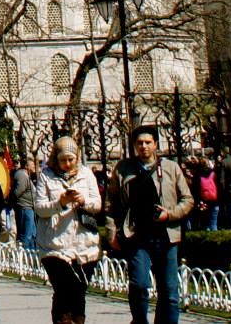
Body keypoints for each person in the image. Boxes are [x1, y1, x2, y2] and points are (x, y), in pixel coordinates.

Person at [114, 127, 193, 324]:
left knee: (169, 290)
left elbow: (187, 199)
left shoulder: (171, 168)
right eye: (140, 143)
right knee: (139, 284)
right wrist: (111, 232)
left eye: (148, 142)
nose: (144, 146)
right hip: (137, 236)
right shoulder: (123, 169)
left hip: (167, 235)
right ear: (134, 146)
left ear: (156, 144)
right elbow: (112, 203)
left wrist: (170, 214)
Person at [33, 137, 103, 324]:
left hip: (84, 243)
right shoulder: (46, 176)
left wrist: (84, 201)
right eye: (63, 160)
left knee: (79, 290)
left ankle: (78, 321)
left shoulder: (86, 174)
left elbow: (97, 204)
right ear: (55, 158)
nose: (67, 164)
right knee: (64, 287)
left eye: (71, 159)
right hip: (55, 244)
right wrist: (60, 203)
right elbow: (39, 208)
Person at [13, 158, 39, 255]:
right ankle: (25, 256)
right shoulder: (22, 176)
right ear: (27, 166)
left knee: (33, 234)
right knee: (27, 235)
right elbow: (17, 192)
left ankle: (32, 256)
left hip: (29, 208)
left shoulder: (26, 176)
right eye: (32, 165)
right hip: (25, 208)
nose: (34, 167)